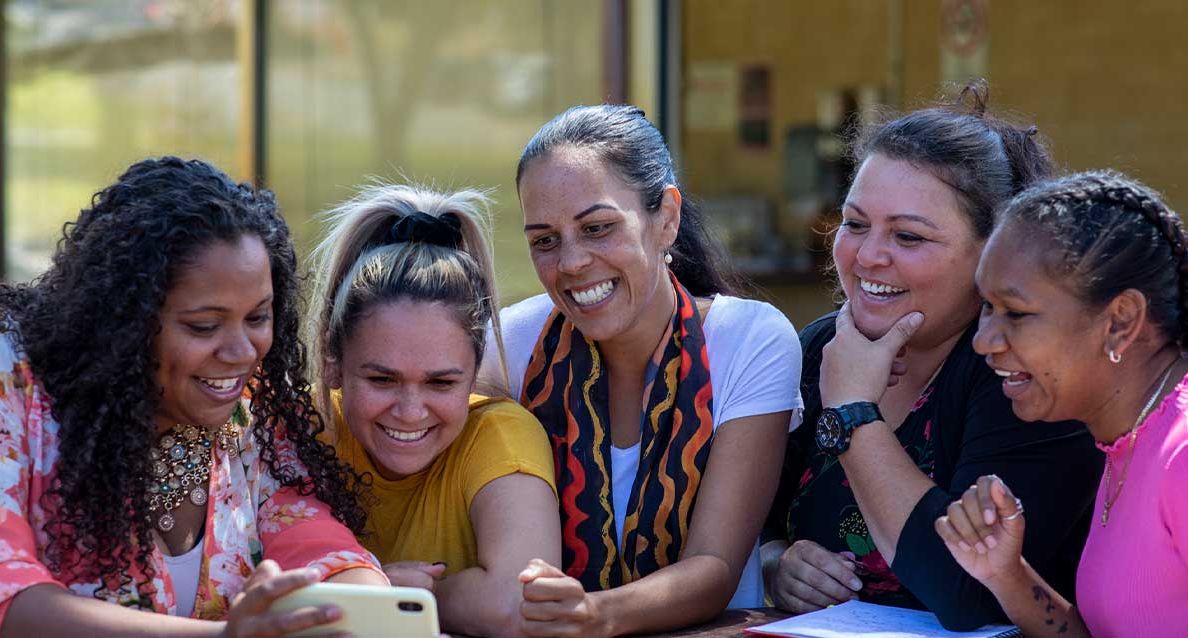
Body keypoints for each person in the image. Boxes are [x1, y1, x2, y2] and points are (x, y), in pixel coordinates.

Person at [0, 157, 386, 638]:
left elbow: (307, 531)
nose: (242, 352)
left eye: (257, 318)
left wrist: (368, 602)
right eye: (203, 326)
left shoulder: (246, 405)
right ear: (122, 319)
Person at [761, 83, 1103, 630]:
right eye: (854, 224)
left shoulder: (1029, 379)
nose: (868, 256)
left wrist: (853, 413)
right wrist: (775, 561)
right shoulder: (818, 349)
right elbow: (750, 517)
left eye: (909, 237)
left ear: (994, 253)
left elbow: (971, 592)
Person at [478, 104, 802, 637]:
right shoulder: (509, 344)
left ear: (666, 218)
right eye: (545, 240)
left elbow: (715, 569)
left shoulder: (750, 340)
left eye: (598, 228)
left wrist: (594, 614)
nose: (572, 262)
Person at [936, 170, 1188, 637]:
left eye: (1015, 313)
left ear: (1120, 321)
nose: (983, 341)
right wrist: (1007, 575)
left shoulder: (1181, 455)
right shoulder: (1125, 441)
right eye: (985, 308)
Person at [305, 183, 561, 637]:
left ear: (475, 370)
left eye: (441, 382)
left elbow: (516, 603)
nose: (410, 411)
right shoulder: (306, 428)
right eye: (382, 380)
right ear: (333, 363)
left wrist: (401, 598)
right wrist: (378, 583)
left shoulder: (501, 433)